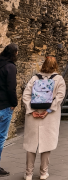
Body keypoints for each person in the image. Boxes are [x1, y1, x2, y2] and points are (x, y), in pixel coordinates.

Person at [23, 56, 66, 180]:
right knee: (46, 144)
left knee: (31, 145)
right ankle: (43, 173)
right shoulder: (59, 79)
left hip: (33, 115)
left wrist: (31, 111)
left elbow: (26, 95)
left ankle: (28, 174)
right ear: (55, 65)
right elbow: (59, 97)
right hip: (50, 116)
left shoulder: (34, 78)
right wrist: (48, 111)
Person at [0, 43, 18, 178]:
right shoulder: (10, 67)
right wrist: (14, 103)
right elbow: (11, 87)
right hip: (4, 105)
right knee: (1, 137)